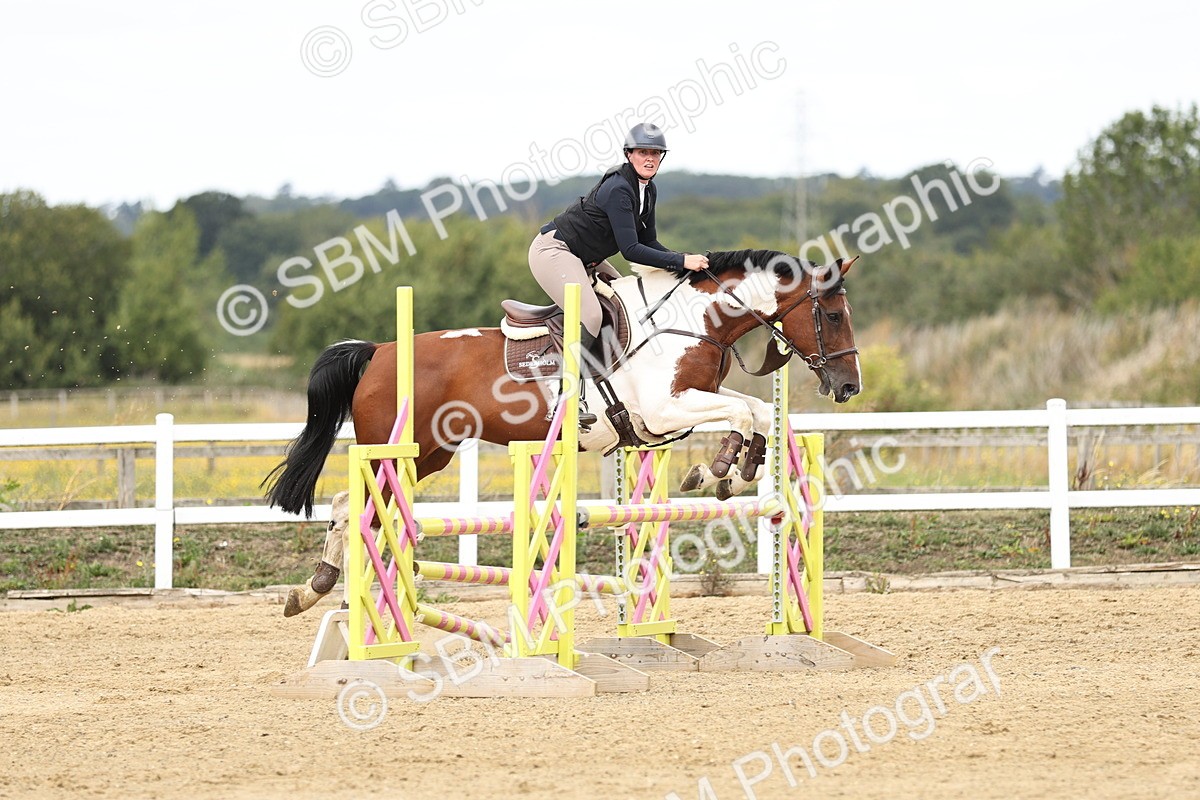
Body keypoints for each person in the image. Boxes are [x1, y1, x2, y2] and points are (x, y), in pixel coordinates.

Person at [528, 122, 709, 358]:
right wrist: (681, 261)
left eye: (655, 153)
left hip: (584, 257)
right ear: (629, 155)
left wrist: (682, 260)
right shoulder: (619, 189)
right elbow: (631, 250)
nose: (649, 159)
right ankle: (569, 384)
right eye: (643, 152)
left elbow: (650, 243)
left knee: (625, 301)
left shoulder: (648, 189)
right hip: (554, 250)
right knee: (593, 316)